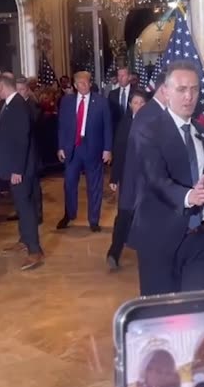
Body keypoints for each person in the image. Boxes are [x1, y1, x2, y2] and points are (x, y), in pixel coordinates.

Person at [129, 60, 204, 295]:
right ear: (166, 92)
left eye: (194, 89)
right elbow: (155, 179)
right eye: (181, 90)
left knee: (198, 309)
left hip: (199, 237)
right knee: (162, 314)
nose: (189, 96)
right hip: (160, 238)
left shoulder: (201, 132)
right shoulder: (148, 129)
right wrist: (190, 196)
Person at [0, 75, 43, 270]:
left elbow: (22, 140)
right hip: (14, 166)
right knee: (21, 206)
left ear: (3, 87)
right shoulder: (10, 104)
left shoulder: (18, 106)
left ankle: (35, 250)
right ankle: (24, 240)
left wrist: (16, 169)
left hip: (19, 168)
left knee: (25, 206)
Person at [57, 71, 113, 232]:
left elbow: (108, 127)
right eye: (80, 83)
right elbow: (61, 126)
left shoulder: (101, 102)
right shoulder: (66, 102)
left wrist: (107, 149)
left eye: (86, 82)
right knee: (69, 184)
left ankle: (94, 220)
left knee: (94, 186)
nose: (83, 85)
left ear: (90, 83)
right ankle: (69, 214)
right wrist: (60, 146)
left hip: (93, 148)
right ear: (74, 85)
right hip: (72, 148)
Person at [107, 90, 148, 271]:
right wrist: (114, 177)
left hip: (147, 179)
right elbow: (118, 151)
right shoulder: (124, 124)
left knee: (147, 216)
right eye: (135, 102)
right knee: (124, 215)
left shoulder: (152, 123)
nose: (138, 106)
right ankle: (113, 253)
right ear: (130, 105)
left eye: (141, 103)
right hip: (127, 177)